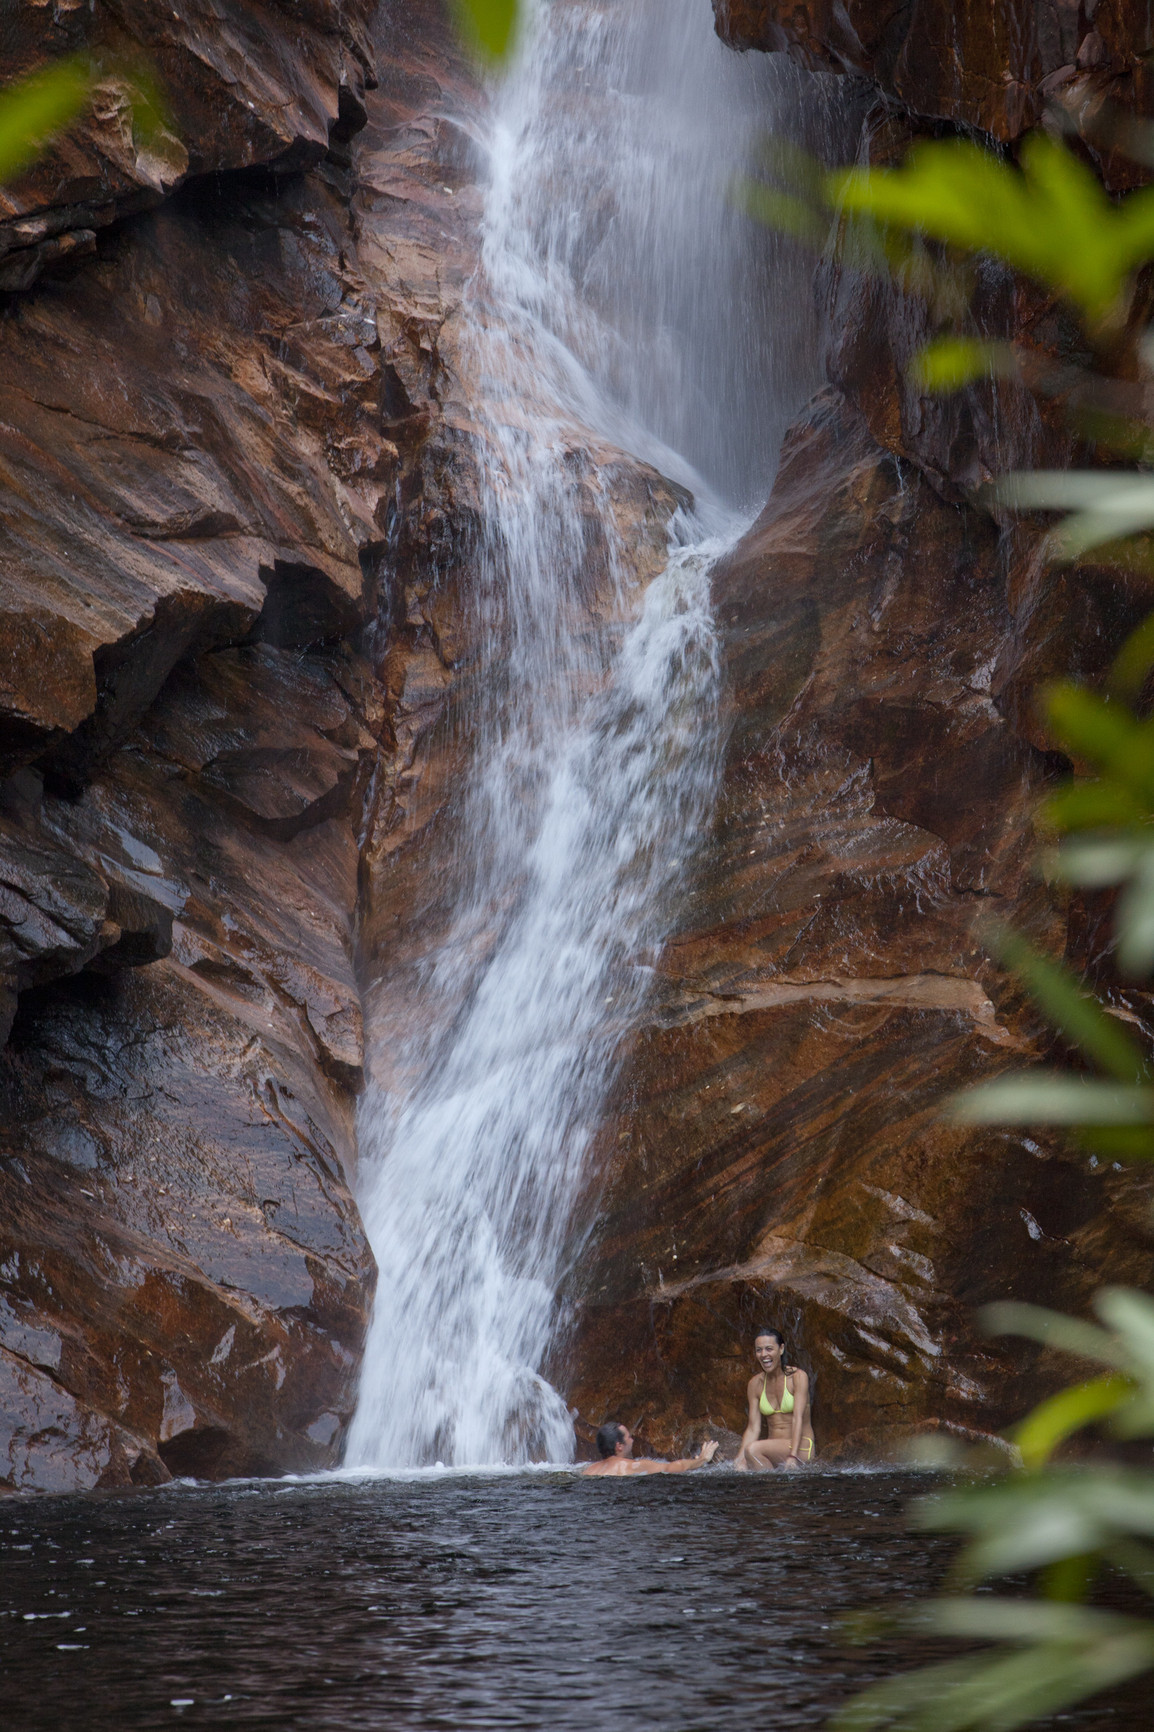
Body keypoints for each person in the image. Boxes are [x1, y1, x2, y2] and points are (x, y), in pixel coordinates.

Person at [734, 1326, 815, 1471]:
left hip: (801, 1447)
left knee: (753, 1450)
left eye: (769, 1349)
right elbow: (753, 1428)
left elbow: (798, 1418)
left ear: (781, 1349)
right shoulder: (754, 1384)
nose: (763, 1354)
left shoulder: (798, 1377)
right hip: (772, 1450)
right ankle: (774, 1485)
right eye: (759, 1350)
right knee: (743, 1465)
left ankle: (772, 1484)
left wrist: (792, 1456)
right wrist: (740, 1459)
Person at [582, 1421, 720, 1476]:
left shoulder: (589, 1470)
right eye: (629, 1437)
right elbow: (671, 1468)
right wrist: (702, 1459)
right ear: (619, 1446)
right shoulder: (633, 1466)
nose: (632, 1439)